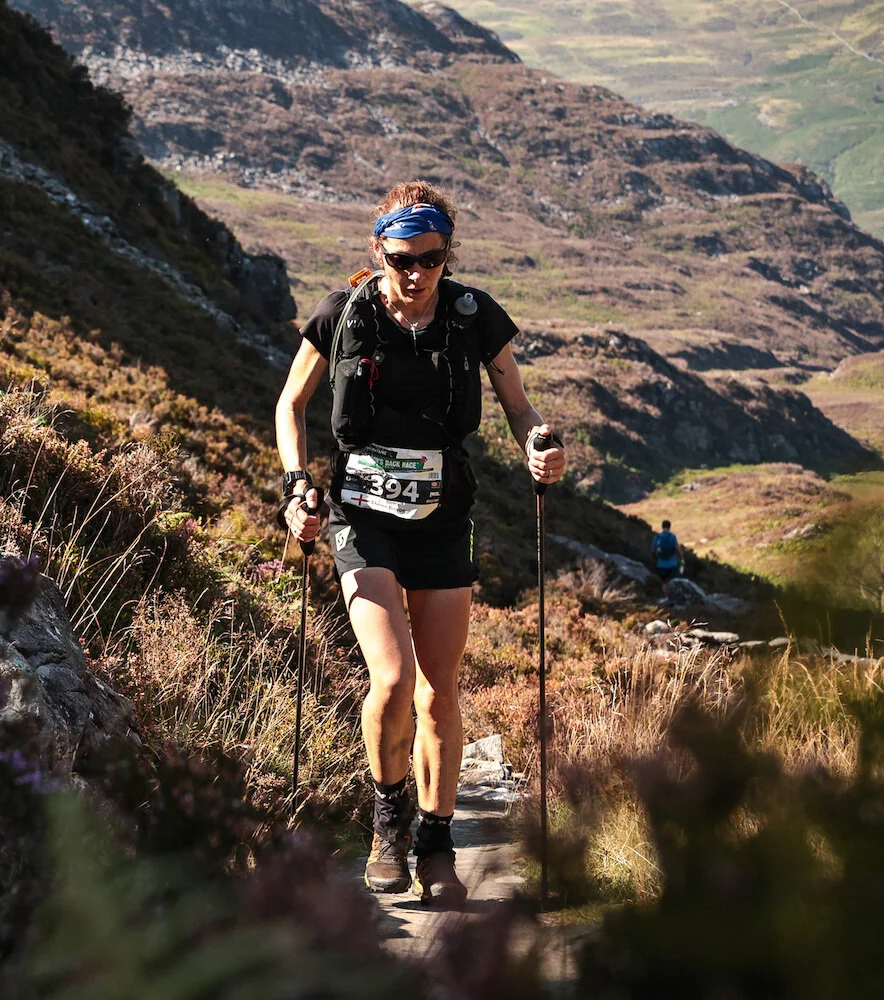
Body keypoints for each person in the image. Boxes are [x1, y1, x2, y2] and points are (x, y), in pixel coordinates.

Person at [274, 180, 566, 908]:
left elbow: (519, 405)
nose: (416, 272)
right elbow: (290, 404)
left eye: (432, 258)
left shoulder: (473, 318)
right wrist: (294, 487)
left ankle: (436, 843)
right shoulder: (341, 315)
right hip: (361, 516)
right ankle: (385, 823)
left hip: (442, 515)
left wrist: (538, 445)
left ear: (447, 255)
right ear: (379, 250)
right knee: (394, 680)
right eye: (403, 257)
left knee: (439, 694)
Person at [652, 519, 683, 600]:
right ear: (669, 527)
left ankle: (667, 598)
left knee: (664, 583)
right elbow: (678, 549)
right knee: (673, 582)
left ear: (662, 527)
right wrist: (682, 558)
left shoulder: (657, 537)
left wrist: (656, 559)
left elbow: (653, 550)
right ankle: (673, 599)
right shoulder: (672, 536)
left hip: (661, 565)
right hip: (672, 564)